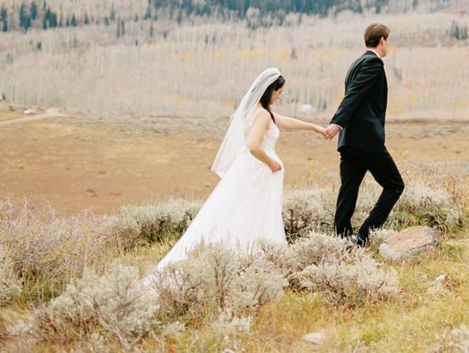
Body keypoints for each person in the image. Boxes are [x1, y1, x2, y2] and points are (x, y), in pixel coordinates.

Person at [154, 67, 328, 271]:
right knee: (255, 212)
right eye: (279, 92)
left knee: (240, 209)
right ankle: (253, 255)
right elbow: (253, 145)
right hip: (261, 172)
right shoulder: (262, 115)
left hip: (250, 169)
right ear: (269, 90)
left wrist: (316, 128)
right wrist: (271, 163)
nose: (280, 97)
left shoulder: (254, 112)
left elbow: (286, 121)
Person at [322, 23, 405, 246]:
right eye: (388, 41)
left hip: (349, 140)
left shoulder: (356, 63)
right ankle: (363, 236)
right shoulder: (374, 63)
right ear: (382, 41)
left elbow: (354, 95)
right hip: (366, 140)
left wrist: (341, 127)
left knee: (348, 190)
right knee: (395, 185)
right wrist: (336, 123)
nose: (388, 45)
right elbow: (355, 95)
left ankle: (341, 240)